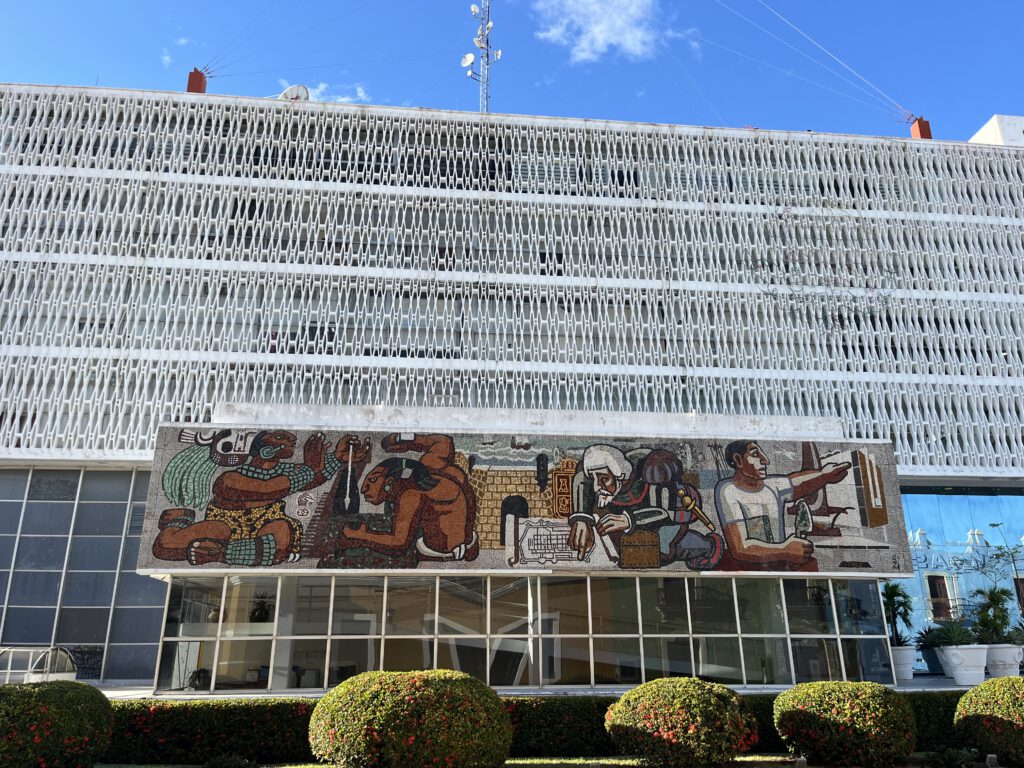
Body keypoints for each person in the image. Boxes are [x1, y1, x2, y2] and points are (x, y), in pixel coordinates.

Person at [154, 430, 368, 566]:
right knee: (171, 545)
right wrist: (311, 468)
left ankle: (221, 553)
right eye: (280, 437)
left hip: (265, 525)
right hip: (226, 525)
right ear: (264, 450)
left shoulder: (287, 471)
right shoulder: (229, 479)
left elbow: (310, 478)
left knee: (283, 533)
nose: (292, 438)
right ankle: (179, 520)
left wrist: (337, 457)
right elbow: (270, 489)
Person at [567, 444, 723, 569]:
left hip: (663, 523)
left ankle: (710, 547)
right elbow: (582, 476)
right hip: (625, 530)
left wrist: (630, 519)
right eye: (594, 479)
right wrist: (581, 518)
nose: (596, 487)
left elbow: (664, 511)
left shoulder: (650, 471)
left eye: (604, 480)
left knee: (670, 544)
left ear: (620, 475)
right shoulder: (604, 476)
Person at [335, 433, 478, 563]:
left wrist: (359, 535)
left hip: (439, 555)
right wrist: (405, 439)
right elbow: (444, 441)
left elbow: (398, 543)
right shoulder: (431, 462)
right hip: (467, 540)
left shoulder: (411, 495)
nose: (363, 489)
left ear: (389, 482)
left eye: (373, 480)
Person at [714, 440, 850, 571]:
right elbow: (740, 548)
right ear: (738, 460)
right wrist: (786, 549)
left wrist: (824, 475)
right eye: (755, 454)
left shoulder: (772, 486)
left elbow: (797, 482)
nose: (765, 460)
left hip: (778, 567)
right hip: (750, 572)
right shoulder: (728, 490)